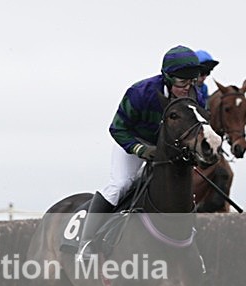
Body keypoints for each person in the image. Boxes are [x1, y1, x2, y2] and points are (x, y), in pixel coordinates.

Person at [76, 45, 203, 261]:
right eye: (182, 81)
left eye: (192, 80)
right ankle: (86, 242)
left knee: (182, 190)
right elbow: (117, 128)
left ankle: (190, 246)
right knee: (122, 184)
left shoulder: (193, 97)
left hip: (166, 146)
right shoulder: (139, 93)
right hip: (132, 140)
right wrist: (140, 149)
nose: (187, 87)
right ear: (167, 78)